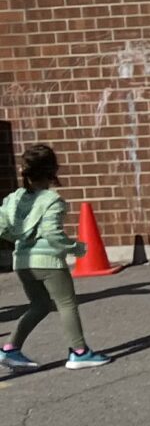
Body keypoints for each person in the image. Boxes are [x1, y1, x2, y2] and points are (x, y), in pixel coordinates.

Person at [0, 144, 107, 370]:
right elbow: (52, 233)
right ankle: (79, 352)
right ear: (52, 171)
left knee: (39, 305)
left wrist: (19, 236)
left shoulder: (13, 199)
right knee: (67, 304)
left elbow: (2, 228)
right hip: (48, 261)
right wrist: (75, 247)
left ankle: (10, 348)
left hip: (22, 261)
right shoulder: (52, 200)